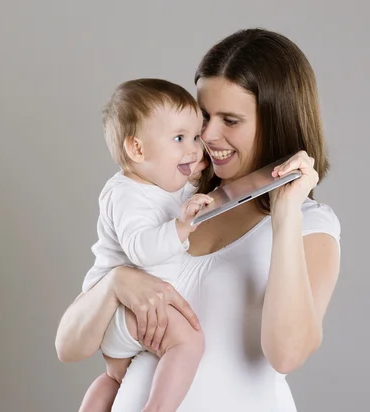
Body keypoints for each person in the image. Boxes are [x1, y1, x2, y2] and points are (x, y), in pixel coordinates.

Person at [56, 28, 342, 411]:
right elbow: (69, 345)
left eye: (231, 120)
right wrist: (116, 284)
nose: (207, 134)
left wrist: (285, 211)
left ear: (276, 120)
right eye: (204, 115)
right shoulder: (173, 204)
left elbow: (286, 354)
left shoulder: (309, 225)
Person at [78, 78, 214, 412]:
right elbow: (140, 249)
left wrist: (193, 176)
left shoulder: (163, 183)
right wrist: (182, 225)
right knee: (188, 342)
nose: (194, 148)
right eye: (180, 138)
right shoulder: (125, 193)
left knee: (116, 380)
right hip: (118, 307)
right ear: (137, 149)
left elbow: (182, 191)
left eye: (196, 136)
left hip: (130, 313)